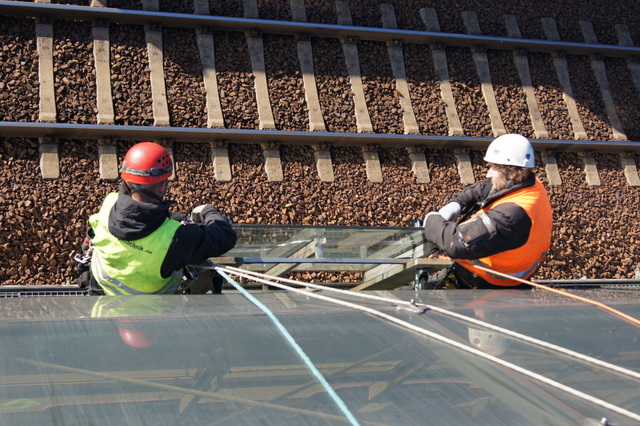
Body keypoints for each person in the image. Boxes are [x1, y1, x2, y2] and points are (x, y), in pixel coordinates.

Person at [76, 141, 237, 295]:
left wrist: (171, 217)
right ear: (161, 187)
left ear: (127, 179)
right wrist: (208, 211)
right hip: (154, 310)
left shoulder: (110, 202)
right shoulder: (176, 238)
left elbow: (135, 218)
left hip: (102, 300)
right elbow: (225, 236)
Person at [422, 134, 552, 289]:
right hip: (498, 270)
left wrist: (432, 220)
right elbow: (485, 187)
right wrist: (457, 204)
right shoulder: (529, 183)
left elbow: (456, 243)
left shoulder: (510, 216)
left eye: (493, 168)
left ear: (511, 173)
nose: (487, 174)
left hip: (487, 282)